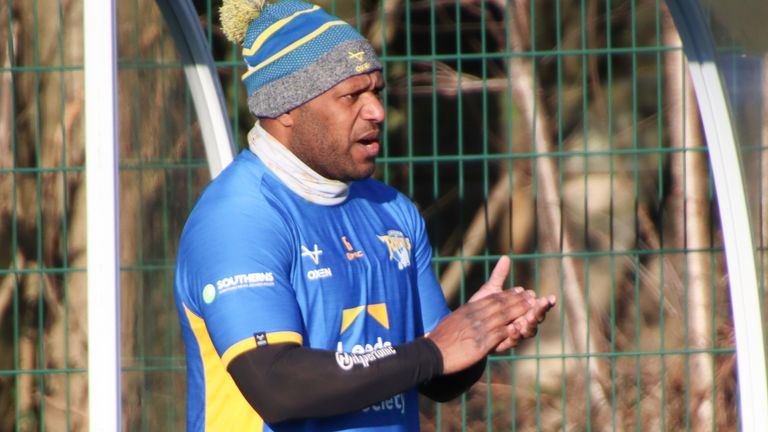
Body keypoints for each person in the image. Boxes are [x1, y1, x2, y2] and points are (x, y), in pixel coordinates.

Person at [174, 1, 556, 430]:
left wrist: (478, 334)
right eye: (352, 95)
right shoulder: (238, 220)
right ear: (285, 108)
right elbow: (277, 385)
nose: (375, 110)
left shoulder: (391, 211)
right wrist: (434, 352)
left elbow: (434, 376)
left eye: (376, 91)